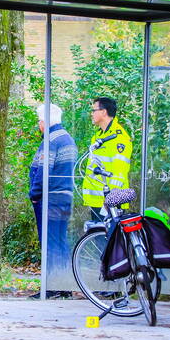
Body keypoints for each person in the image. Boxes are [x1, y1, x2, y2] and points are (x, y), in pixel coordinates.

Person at [28, 103, 78, 299]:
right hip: (64, 197)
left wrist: (34, 194)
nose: (39, 126)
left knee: (49, 243)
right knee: (60, 242)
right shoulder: (67, 138)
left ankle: (51, 286)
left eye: (39, 121)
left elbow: (43, 172)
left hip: (49, 199)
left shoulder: (51, 140)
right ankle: (64, 286)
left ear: (44, 122)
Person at [82, 96, 133, 219]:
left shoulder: (119, 137)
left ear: (104, 112)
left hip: (109, 202)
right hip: (97, 199)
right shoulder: (98, 136)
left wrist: (112, 199)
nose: (91, 114)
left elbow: (119, 171)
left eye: (94, 111)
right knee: (97, 236)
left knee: (108, 237)